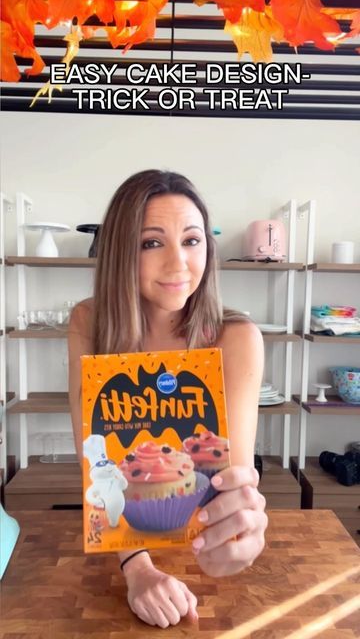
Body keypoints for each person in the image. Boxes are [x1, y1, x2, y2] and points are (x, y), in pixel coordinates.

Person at [68, 169, 267, 629]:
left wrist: (239, 534)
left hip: (203, 562)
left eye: (192, 241)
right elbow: (95, 466)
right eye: (151, 243)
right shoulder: (88, 321)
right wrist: (137, 568)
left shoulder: (236, 339)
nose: (179, 263)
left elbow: (230, 479)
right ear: (120, 252)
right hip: (120, 546)